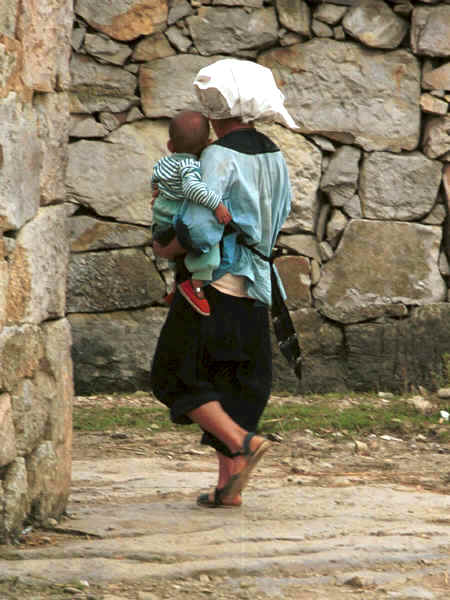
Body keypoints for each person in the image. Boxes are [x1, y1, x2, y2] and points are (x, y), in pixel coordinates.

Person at [150, 58, 296, 508]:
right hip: (259, 285)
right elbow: (283, 211)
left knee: (171, 373)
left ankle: (243, 442)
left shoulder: (216, 156)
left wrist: (165, 247)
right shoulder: (274, 152)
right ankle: (227, 486)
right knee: (235, 379)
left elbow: (199, 229)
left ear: (215, 107)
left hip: (214, 284)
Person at [152, 110, 232, 316]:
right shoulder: (190, 166)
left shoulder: (164, 162)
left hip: (161, 220)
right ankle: (196, 287)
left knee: (179, 252)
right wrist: (217, 205)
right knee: (208, 243)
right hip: (176, 221)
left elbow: (155, 184)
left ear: (170, 145)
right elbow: (192, 189)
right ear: (208, 143)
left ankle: (176, 288)